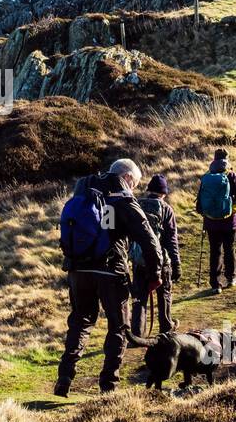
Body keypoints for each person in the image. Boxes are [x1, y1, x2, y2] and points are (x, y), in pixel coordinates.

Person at [55, 158, 161, 397]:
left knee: (80, 321)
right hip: (111, 271)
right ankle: (108, 385)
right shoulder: (123, 199)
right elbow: (148, 238)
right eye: (134, 184)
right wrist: (155, 273)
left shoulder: (83, 193)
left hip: (78, 270)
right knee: (117, 327)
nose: (133, 189)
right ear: (128, 178)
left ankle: (64, 377)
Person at [129, 175, 181, 336]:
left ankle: (137, 332)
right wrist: (176, 263)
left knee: (140, 297)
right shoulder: (166, 210)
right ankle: (166, 327)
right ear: (164, 192)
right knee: (164, 293)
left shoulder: (136, 206)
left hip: (139, 260)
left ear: (149, 190)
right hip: (161, 262)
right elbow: (171, 240)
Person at [194, 148, 236, 293]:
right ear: (227, 159)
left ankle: (215, 284)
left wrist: (204, 212)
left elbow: (199, 203)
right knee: (229, 248)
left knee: (215, 250)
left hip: (211, 221)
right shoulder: (231, 175)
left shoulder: (207, 177)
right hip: (230, 220)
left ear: (214, 159)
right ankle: (231, 278)